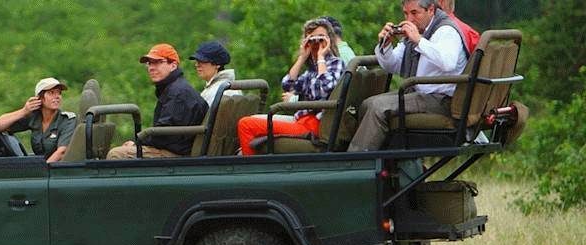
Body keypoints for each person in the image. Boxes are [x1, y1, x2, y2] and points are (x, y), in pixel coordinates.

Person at [347, 0, 468, 152]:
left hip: (442, 100)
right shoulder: (416, 33)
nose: (409, 19)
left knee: (378, 107)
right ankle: (384, 162)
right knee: (367, 104)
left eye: (414, 13)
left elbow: (448, 63)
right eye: (406, 13)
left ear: (431, 10)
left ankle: (357, 162)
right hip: (419, 94)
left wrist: (419, 41)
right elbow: (393, 65)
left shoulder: (446, 30)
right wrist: (385, 45)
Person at [236, 18, 346, 155]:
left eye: (321, 38)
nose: (316, 43)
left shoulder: (336, 63)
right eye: (311, 39)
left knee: (245, 125)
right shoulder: (311, 70)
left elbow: (322, 91)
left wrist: (321, 57)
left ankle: (251, 172)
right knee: (252, 123)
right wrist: (302, 58)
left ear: (329, 40)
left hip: (314, 125)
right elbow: (287, 85)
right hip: (302, 121)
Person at [106, 43, 208, 159]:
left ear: (173, 65)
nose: (151, 67)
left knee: (116, 155)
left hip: (175, 155)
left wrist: (137, 144)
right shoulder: (174, 88)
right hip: (172, 149)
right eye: (149, 63)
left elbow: (162, 133)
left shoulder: (178, 93)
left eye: (158, 62)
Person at [0, 77, 78, 162]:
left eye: (59, 93)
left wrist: (41, 169)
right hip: (41, 168)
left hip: (58, 171)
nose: (57, 96)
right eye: (51, 93)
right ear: (40, 98)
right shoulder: (34, 117)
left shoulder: (67, 120)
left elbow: (62, 152)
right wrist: (24, 111)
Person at [191, 41, 242, 107]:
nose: (197, 65)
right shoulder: (233, 87)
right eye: (197, 61)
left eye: (202, 61)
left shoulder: (217, 91)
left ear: (217, 64)